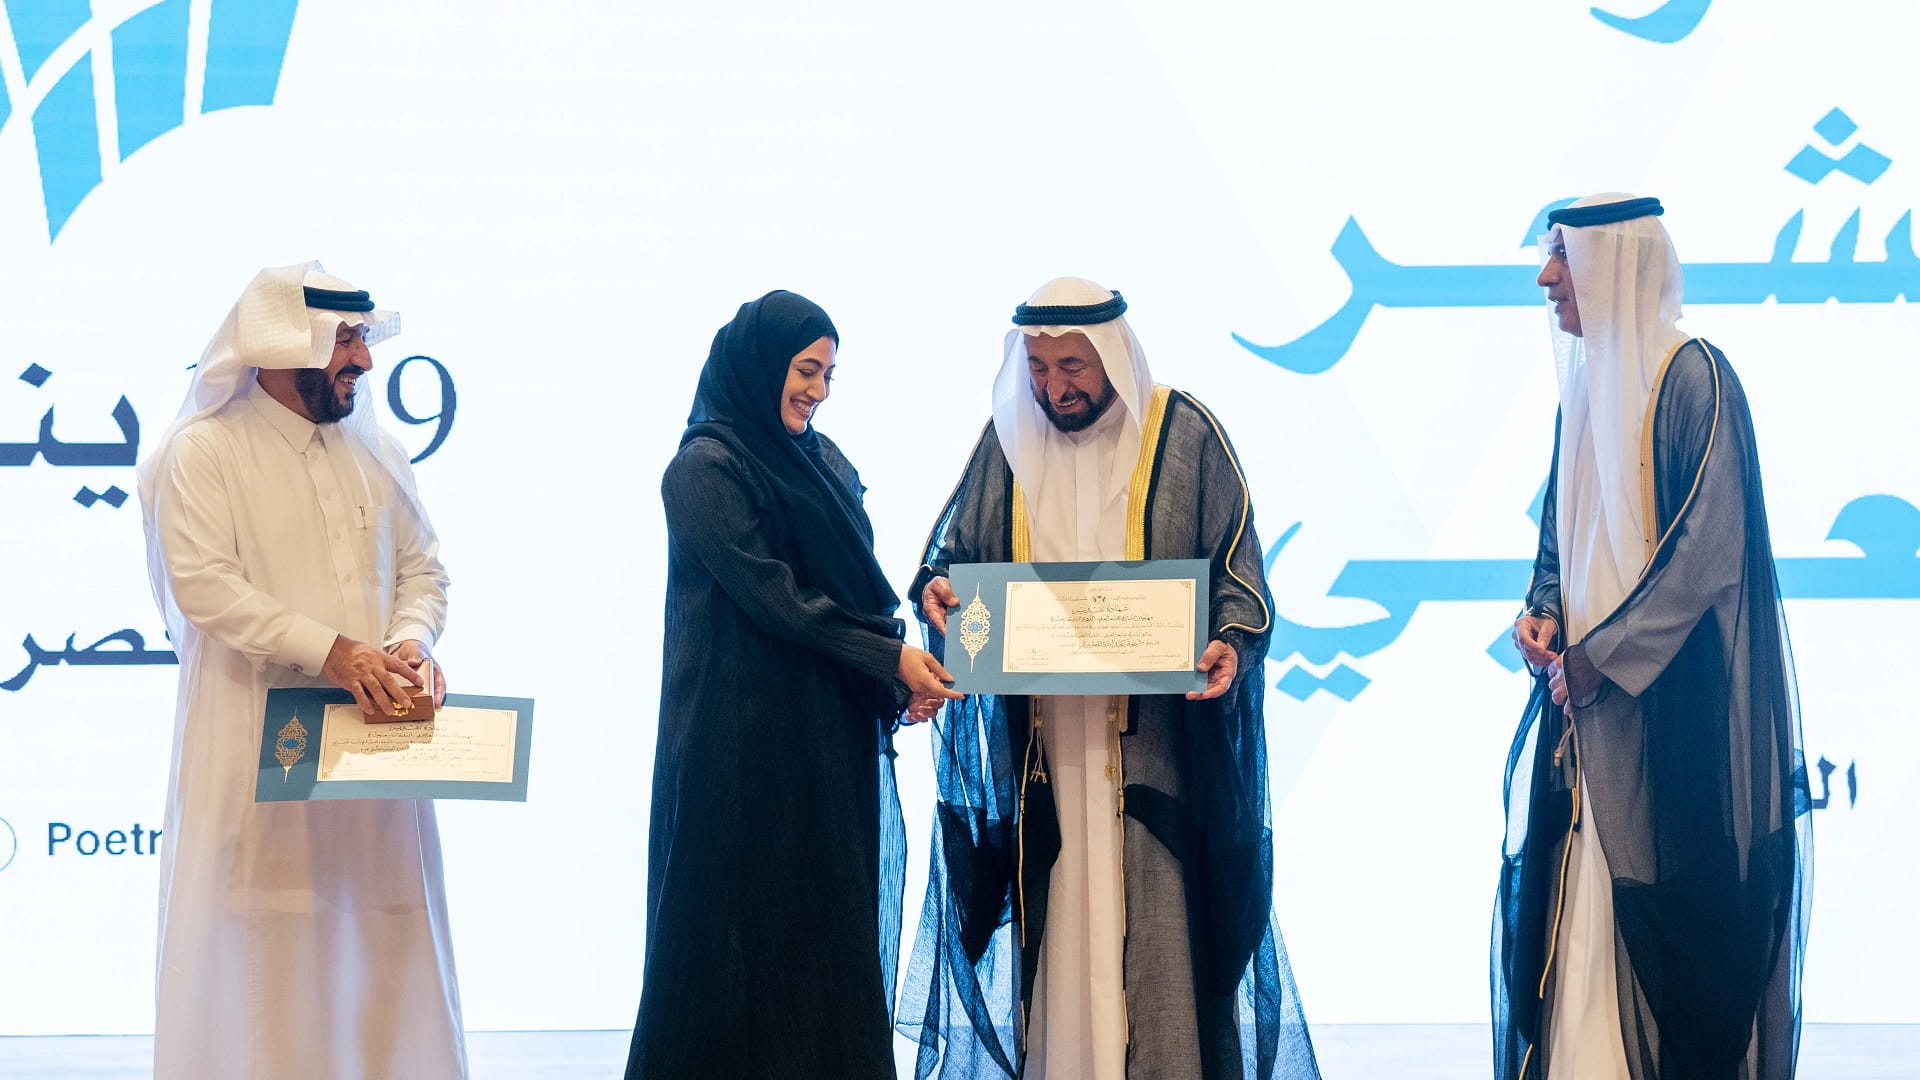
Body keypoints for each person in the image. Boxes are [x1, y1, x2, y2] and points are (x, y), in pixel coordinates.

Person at [897, 278, 1319, 1079]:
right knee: (1056, 946)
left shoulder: (1185, 436)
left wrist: (1229, 644)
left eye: (1072, 366)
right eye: (1037, 367)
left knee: (1158, 950)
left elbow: (1242, 582)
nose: (1053, 386)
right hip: (1044, 757)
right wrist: (940, 592)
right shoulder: (1008, 443)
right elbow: (952, 561)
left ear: (1114, 359)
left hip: (1156, 758)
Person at [1493, 195, 1812, 1080]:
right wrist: (1545, 609)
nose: (1546, 277)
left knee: (1677, 950)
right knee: (1572, 937)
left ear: (1614, 265)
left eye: (1562, 256)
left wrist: (1602, 660)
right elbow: (1560, 540)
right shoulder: (1583, 388)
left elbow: (1706, 551)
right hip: (1582, 718)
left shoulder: (1694, 377)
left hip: (1674, 723)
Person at [136, 263, 463, 1079]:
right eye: (345, 341)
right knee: (267, 957)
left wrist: (410, 642)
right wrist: (336, 652)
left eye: (362, 338)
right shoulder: (202, 451)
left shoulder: (377, 451)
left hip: (376, 752)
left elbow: (422, 569)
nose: (365, 361)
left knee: (384, 947)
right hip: (256, 743)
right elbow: (205, 586)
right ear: (286, 343)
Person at [625, 290, 961, 1079]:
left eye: (829, 375)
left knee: (823, 942)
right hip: (735, 752)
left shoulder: (824, 461)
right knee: (727, 949)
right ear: (760, 365)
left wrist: (892, 668)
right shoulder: (702, 470)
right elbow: (776, 598)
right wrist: (890, 660)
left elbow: (851, 593)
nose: (818, 390)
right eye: (806, 370)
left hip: (823, 740)